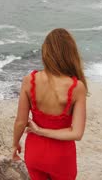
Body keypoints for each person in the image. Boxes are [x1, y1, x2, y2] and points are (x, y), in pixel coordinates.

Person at [12, 28, 88, 180]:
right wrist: (41, 131)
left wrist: (15, 145)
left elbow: (20, 121)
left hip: (34, 151)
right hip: (61, 157)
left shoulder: (29, 80)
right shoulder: (77, 87)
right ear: (71, 54)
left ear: (46, 52)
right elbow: (76, 133)